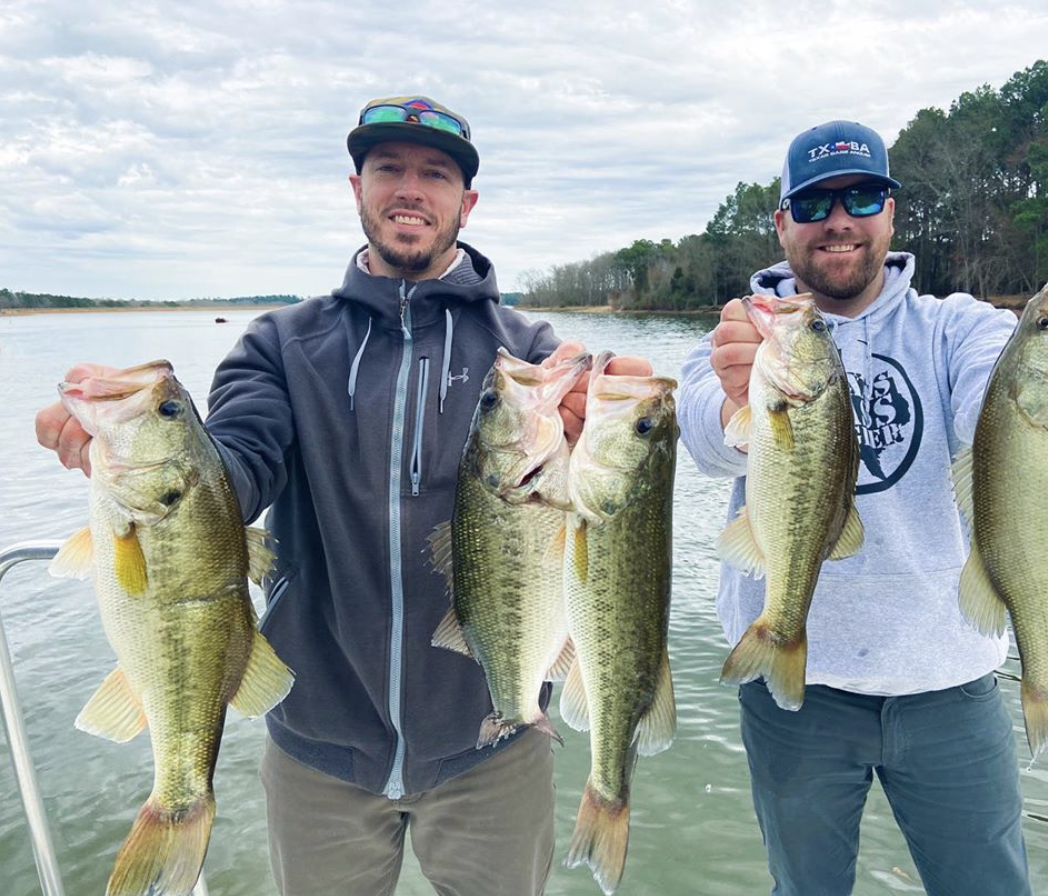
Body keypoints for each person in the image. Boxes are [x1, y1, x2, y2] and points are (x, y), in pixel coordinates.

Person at [35, 93, 647, 896]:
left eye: (434, 174)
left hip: (492, 741)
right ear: (355, 186)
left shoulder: (529, 356)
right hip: (318, 749)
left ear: (467, 203)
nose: (409, 189)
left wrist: (611, 422)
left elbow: (601, 504)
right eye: (389, 167)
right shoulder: (280, 345)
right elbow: (243, 463)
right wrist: (145, 456)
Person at [677, 119, 1048, 896]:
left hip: (950, 680)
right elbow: (700, 431)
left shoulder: (957, 325)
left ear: (892, 214)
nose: (839, 219)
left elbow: (994, 401)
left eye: (862, 196)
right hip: (797, 694)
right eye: (814, 203)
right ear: (782, 224)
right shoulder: (744, 334)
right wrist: (742, 401)